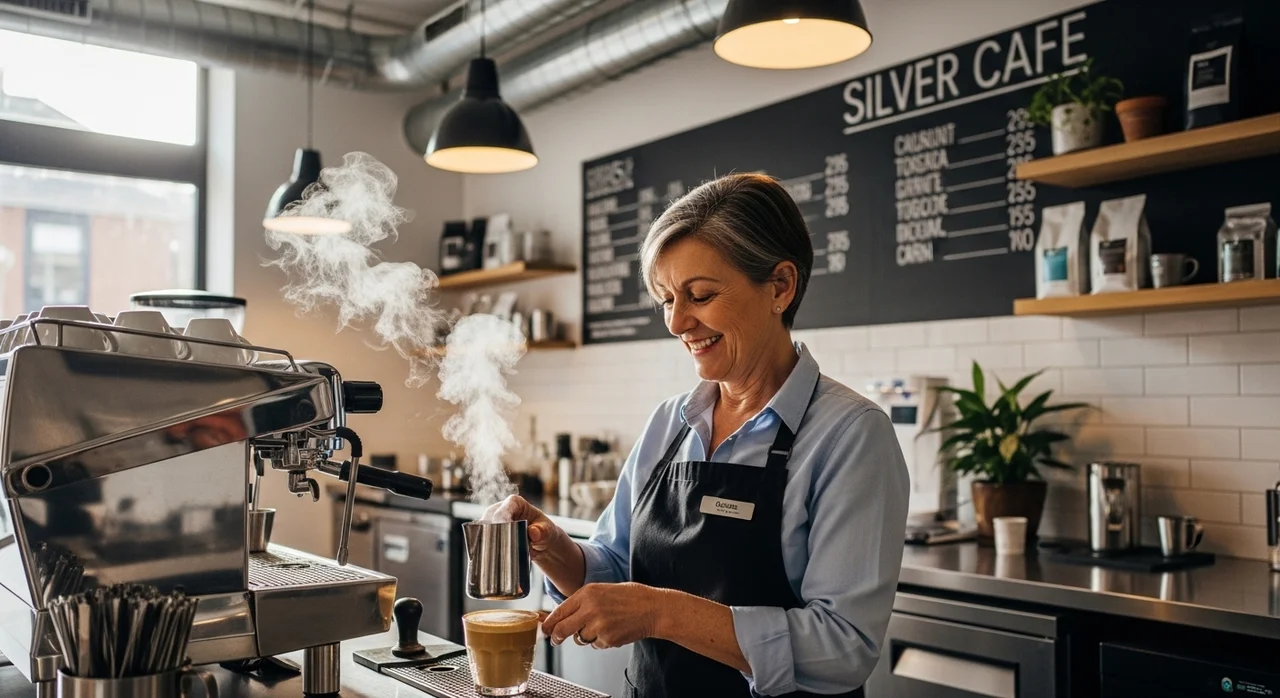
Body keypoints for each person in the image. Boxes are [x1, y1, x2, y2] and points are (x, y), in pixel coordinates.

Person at [490, 173, 909, 697]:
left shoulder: (850, 435)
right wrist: (552, 547)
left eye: (701, 295)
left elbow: (842, 649)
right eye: (667, 299)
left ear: (780, 286)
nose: (676, 322)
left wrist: (659, 612)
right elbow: (615, 569)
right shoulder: (670, 423)